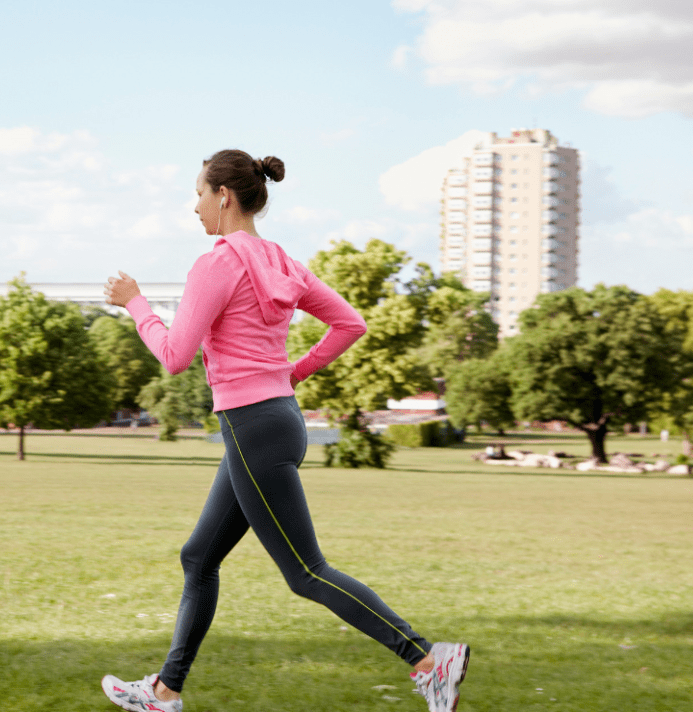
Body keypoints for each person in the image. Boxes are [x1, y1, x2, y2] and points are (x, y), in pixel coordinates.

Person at [100, 149, 469, 712]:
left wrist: (136, 305)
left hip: (253, 428)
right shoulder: (281, 261)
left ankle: (427, 659)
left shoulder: (216, 263)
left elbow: (174, 355)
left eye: (199, 193)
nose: (194, 206)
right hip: (277, 421)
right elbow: (351, 324)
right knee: (199, 558)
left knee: (305, 572)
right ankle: (165, 692)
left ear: (224, 196)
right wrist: (290, 374)